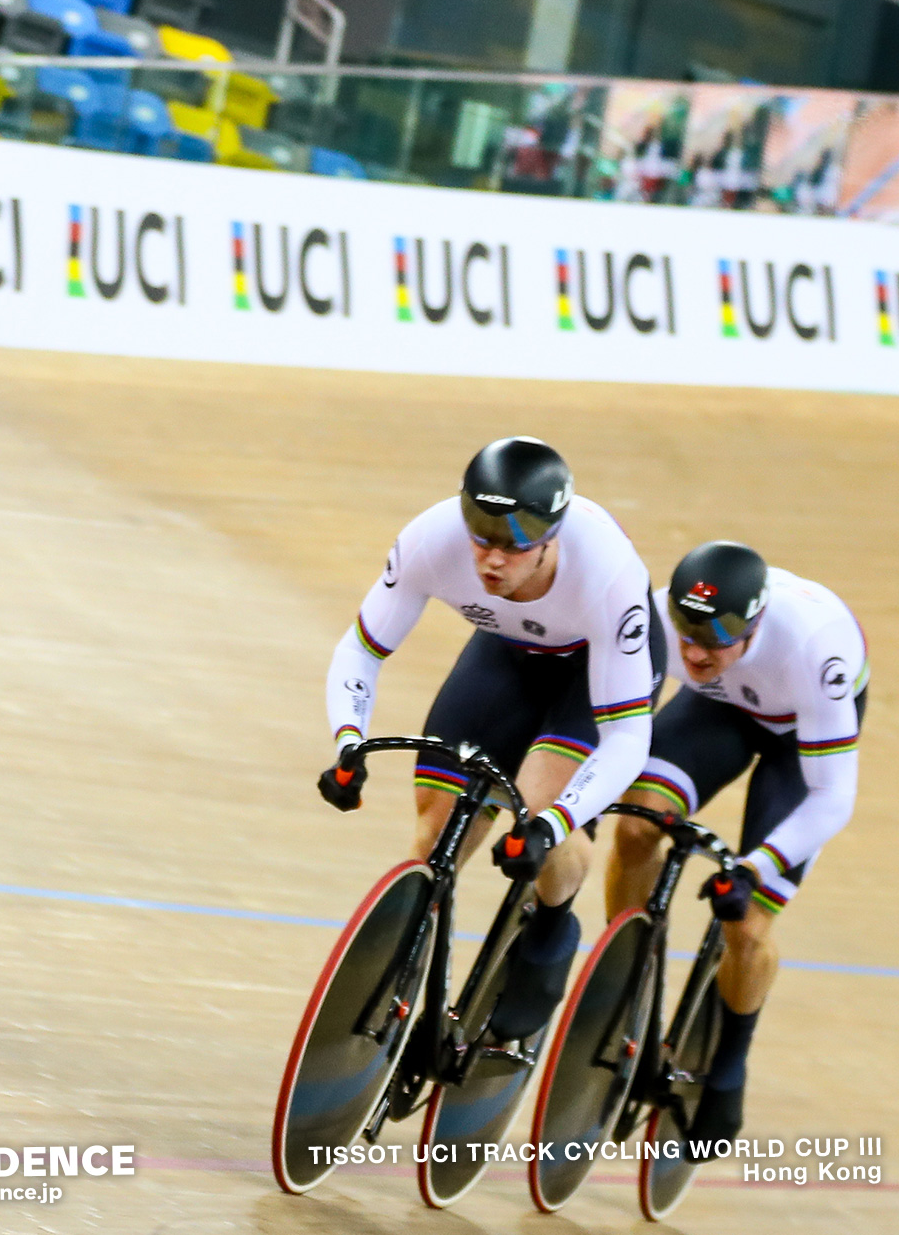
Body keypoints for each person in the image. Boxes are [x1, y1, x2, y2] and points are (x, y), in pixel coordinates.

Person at [318, 437, 659, 1041]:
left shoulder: (608, 574)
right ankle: (408, 980)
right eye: (482, 536)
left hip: (593, 675)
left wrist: (550, 827)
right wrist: (349, 742)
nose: (492, 561)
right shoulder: (432, 538)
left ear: (552, 536)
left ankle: (553, 925)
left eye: (514, 544)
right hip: (509, 653)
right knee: (433, 834)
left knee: (534, 810)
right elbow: (361, 650)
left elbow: (628, 738)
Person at [604, 543, 868, 1146]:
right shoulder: (658, 625)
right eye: (686, 633)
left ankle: (729, 1065)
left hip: (801, 738)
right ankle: (623, 976)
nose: (694, 652)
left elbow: (833, 798)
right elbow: (614, 716)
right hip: (718, 708)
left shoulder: (815, 650)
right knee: (636, 825)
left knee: (746, 925)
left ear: (755, 622)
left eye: (716, 641)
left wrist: (755, 866)